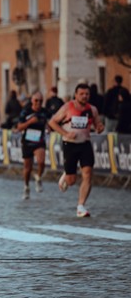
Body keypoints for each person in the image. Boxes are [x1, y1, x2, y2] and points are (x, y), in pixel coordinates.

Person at [48, 83, 105, 217]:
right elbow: (52, 122)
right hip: (70, 144)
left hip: (85, 144)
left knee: (88, 174)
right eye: (82, 94)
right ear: (76, 95)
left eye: (87, 94)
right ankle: (66, 174)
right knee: (71, 181)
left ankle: (81, 206)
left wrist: (99, 127)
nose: (85, 96)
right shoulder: (68, 107)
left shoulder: (92, 109)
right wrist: (65, 133)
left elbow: (98, 125)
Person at [17, 92, 50, 199]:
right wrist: (29, 122)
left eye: (41, 101)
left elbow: (50, 123)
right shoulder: (26, 111)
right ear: (32, 100)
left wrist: (49, 127)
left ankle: (38, 178)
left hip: (39, 141)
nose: (38, 103)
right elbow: (19, 127)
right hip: (27, 142)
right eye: (36, 100)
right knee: (28, 168)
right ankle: (26, 187)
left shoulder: (45, 112)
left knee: (41, 162)